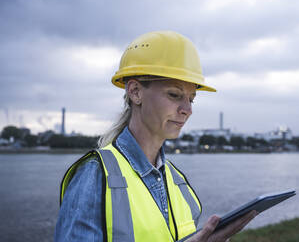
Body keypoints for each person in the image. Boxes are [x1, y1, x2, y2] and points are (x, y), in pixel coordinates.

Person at [55, 31, 257, 242]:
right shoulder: (94, 175)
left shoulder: (177, 181)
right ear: (135, 92)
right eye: (174, 95)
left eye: (191, 99)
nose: (187, 109)